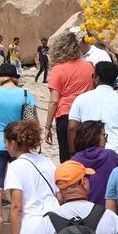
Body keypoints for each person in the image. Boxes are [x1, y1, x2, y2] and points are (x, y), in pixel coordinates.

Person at [67, 61, 118, 162]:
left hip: (89, 155)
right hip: (117, 154)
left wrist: (72, 152)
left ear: (96, 78)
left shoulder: (81, 99)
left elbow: (72, 127)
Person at [45, 31, 95, 162]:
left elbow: (54, 101)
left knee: (67, 158)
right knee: (86, 156)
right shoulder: (89, 67)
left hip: (66, 115)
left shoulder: (58, 69)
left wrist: (47, 126)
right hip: (87, 116)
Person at [70, 121, 118, 208]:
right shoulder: (110, 156)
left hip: (81, 213)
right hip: (108, 211)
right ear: (95, 136)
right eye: (104, 135)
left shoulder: (73, 161)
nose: (106, 139)